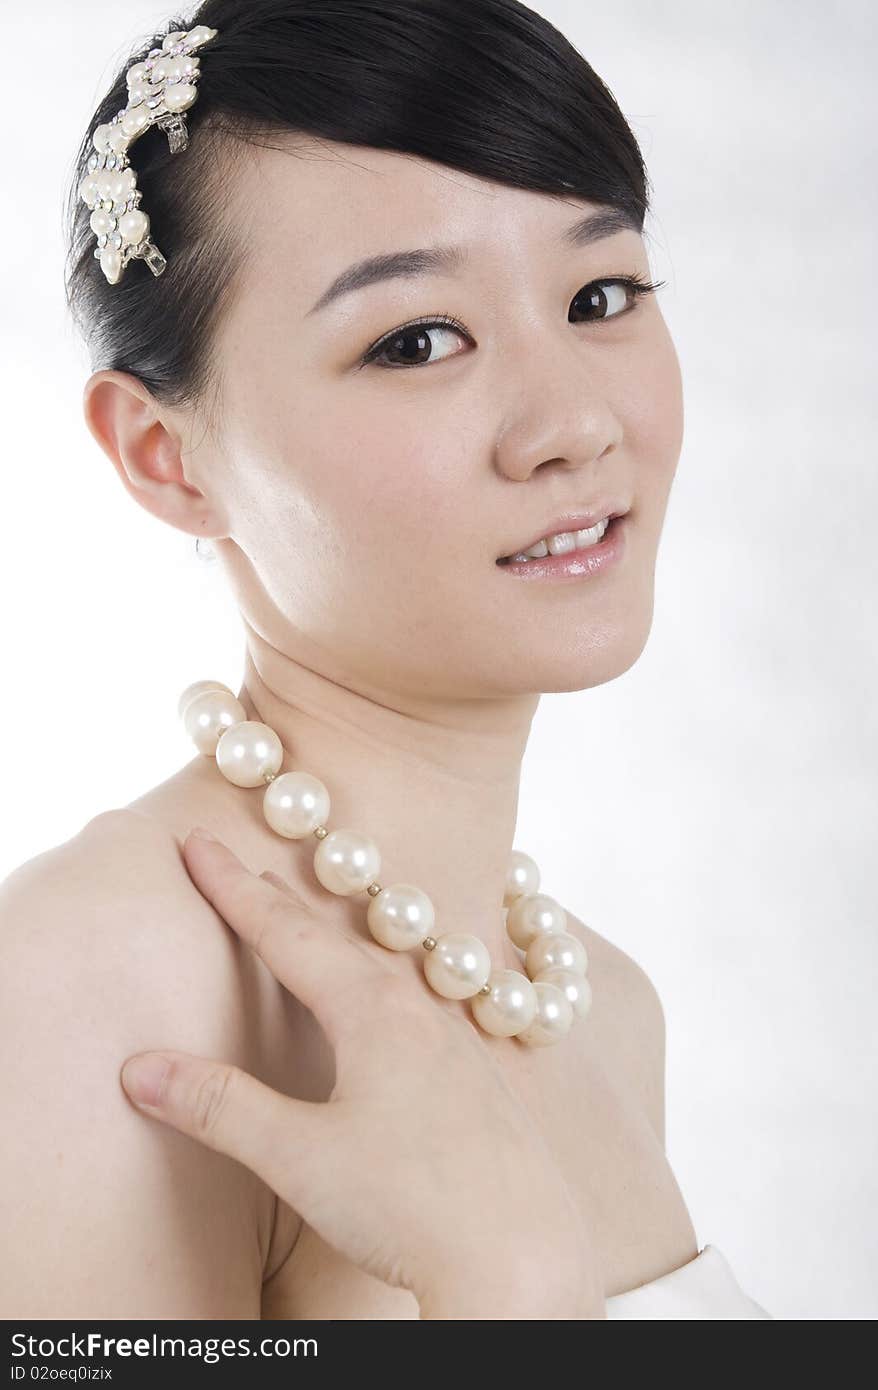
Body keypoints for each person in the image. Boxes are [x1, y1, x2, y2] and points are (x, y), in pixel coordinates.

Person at [0, 0, 770, 1319]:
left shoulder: (603, 1010)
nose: (573, 422)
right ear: (161, 453)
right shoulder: (86, 992)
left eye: (602, 295)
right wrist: (508, 1286)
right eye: (416, 339)